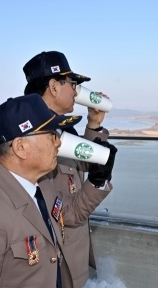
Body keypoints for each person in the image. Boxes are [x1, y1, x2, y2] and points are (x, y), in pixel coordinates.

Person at [0, 94, 116, 287]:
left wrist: (97, 180)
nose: (58, 142)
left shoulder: (41, 187)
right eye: (52, 134)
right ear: (20, 147)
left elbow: (69, 215)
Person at [22, 50, 114, 287]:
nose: (76, 91)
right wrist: (97, 182)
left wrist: (93, 123)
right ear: (54, 86)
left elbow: (81, 163)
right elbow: (60, 214)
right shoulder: (36, 139)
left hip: (72, 257)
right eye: (73, 84)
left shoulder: (63, 130)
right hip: (57, 265)